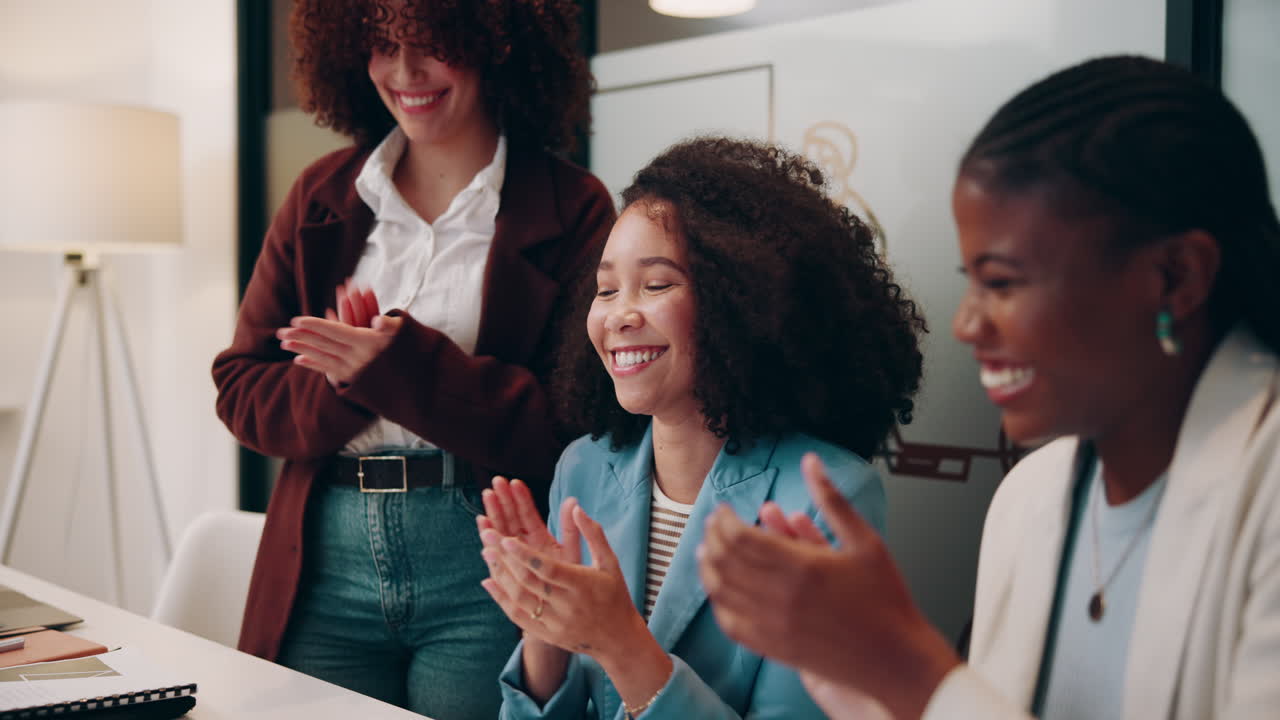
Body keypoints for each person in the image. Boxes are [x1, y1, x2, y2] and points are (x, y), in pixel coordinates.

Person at [698, 55, 1280, 720]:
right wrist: (856, 677)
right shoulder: (1029, 500)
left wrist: (908, 665)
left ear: (1175, 278)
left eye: (1001, 282)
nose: (965, 323)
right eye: (969, 280)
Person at [210, 1, 613, 717]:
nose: (405, 73)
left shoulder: (570, 206)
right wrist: (348, 383)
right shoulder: (320, 197)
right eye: (382, 46)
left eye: (434, 45)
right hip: (323, 558)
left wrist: (395, 368)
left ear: (495, 44)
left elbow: (576, 423)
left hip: (486, 559)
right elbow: (241, 390)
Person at [475, 137, 928, 719]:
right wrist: (545, 624)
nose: (619, 315)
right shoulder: (583, 467)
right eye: (606, 289)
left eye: (656, 284)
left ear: (741, 303)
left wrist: (619, 642)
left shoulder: (826, 497)